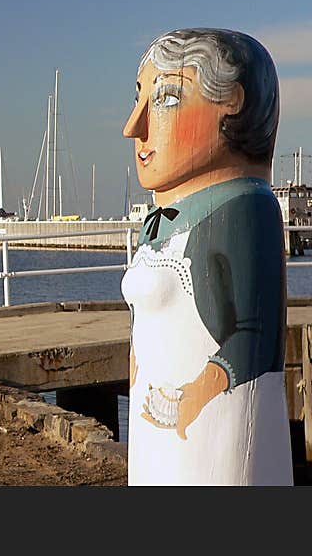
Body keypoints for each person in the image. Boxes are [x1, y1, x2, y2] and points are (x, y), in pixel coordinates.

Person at [122, 29, 293, 485]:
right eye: (139, 100)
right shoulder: (156, 219)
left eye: (166, 100)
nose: (134, 126)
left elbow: (251, 336)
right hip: (154, 434)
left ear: (232, 103)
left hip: (215, 440)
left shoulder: (246, 208)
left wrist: (197, 396)